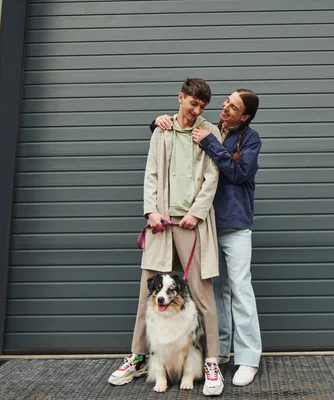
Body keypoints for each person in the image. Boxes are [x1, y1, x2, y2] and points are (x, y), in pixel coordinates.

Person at [108, 77, 224, 396]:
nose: (197, 110)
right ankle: (138, 357)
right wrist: (151, 212)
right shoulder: (162, 130)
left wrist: (196, 213)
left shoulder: (209, 131)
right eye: (193, 103)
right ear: (181, 98)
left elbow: (213, 177)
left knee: (202, 294)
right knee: (148, 294)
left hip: (192, 223)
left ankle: (212, 362)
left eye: (202, 106)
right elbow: (152, 174)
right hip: (161, 223)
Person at [152, 89, 262, 387]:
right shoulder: (209, 128)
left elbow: (239, 173)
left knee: (240, 288)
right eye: (226, 102)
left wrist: (211, 144)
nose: (226, 107)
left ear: (245, 116)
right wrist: (158, 121)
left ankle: (248, 358)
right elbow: (180, 130)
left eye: (234, 106)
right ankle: (221, 350)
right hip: (204, 226)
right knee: (217, 290)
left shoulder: (249, 139)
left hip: (234, 225)